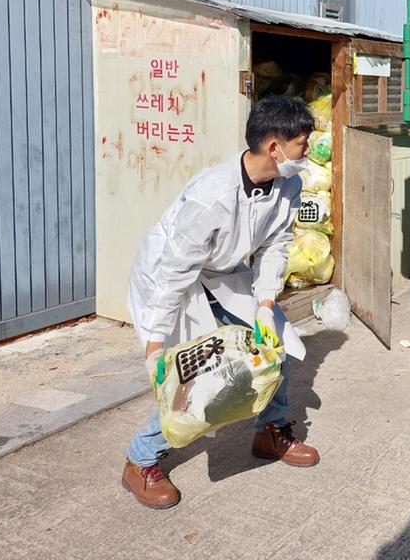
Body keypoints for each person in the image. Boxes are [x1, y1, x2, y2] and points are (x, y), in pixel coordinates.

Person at [122, 96, 321, 510]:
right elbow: (174, 272)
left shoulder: (288, 183)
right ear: (274, 147)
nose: (308, 151)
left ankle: (270, 430)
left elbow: (276, 244)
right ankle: (140, 460)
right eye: (303, 143)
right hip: (169, 279)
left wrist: (265, 304)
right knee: (199, 377)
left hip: (223, 273)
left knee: (273, 348)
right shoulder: (210, 195)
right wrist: (155, 344)